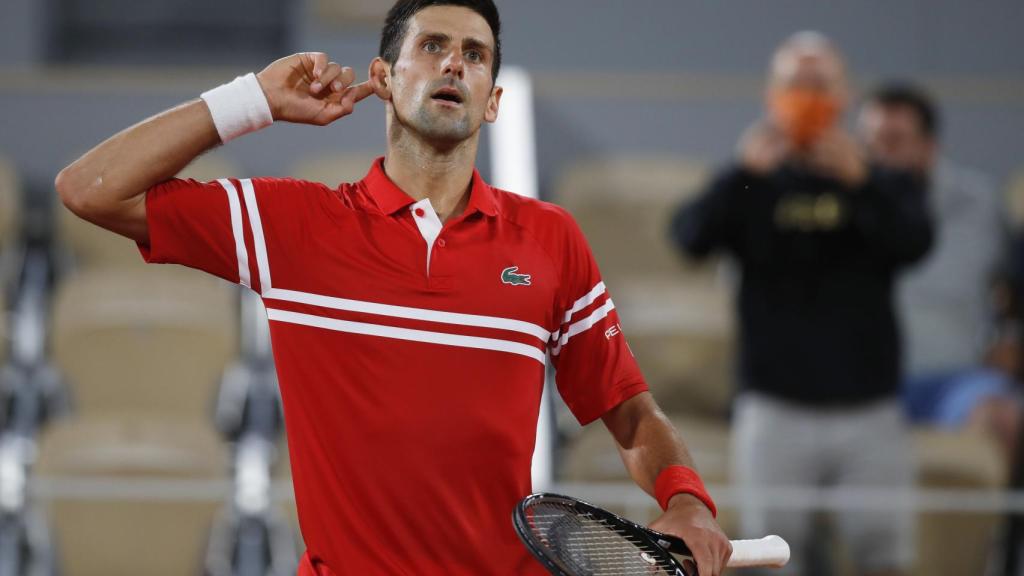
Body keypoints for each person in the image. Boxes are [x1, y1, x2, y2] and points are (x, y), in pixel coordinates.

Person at [54, 1, 731, 574]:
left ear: (493, 99)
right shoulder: (291, 225)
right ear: (382, 76)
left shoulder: (550, 241)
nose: (453, 65)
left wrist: (686, 499)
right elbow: (88, 190)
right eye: (432, 45)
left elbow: (631, 413)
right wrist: (252, 100)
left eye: (475, 54)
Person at [670, 32, 933, 576]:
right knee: (778, 560)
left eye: (820, 85)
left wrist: (860, 183)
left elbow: (916, 242)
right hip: (775, 405)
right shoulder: (752, 181)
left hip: (870, 408)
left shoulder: (878, 179)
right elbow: (688, 238)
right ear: (772, 95)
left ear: (845, 96)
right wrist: (742, 176)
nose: (808, 96)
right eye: (796, 84)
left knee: (884, 558)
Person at [858, 83, 1020, 460]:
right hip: (863, 381)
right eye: (870, 142)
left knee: (1004, 416)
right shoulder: (838, 203)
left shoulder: (980, 205)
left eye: (894, 140)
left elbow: (1014, 284)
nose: (880, 154)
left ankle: (1005, 521)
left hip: (954, 377)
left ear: (929, 146)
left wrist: (1012, 337)